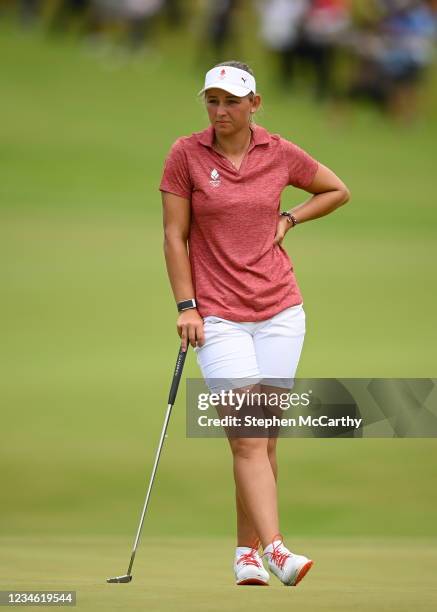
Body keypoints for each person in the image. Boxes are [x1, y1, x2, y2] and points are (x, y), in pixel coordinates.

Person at [159, 60, 350, 586]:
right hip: (218, 316)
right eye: (212, 101)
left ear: (254, 105)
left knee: (264, 440)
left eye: (231, 102)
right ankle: (279, 551)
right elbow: (175, 237)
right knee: (247, 435)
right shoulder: (186, 155)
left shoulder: (279, 151)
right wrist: (186, 306)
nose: (220, 111)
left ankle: (246, 553)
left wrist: (290, 217)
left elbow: (336, 189)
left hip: (281, 312)